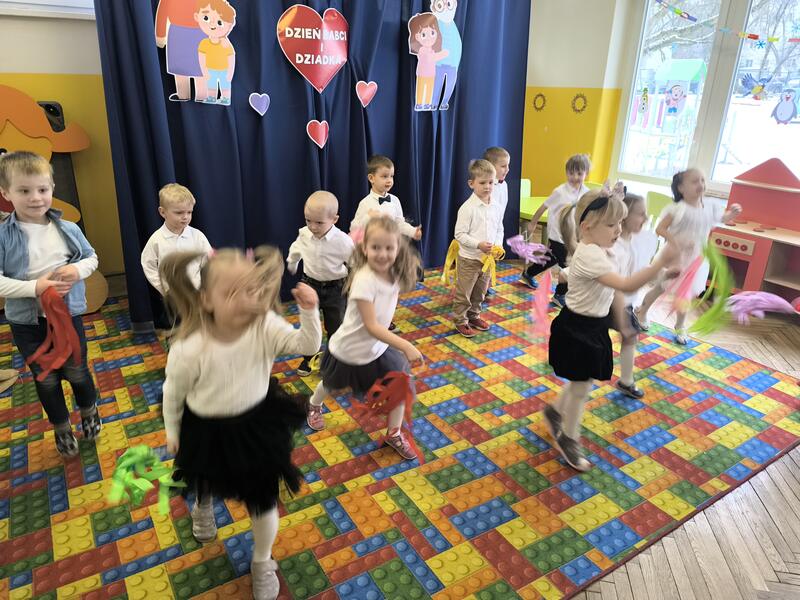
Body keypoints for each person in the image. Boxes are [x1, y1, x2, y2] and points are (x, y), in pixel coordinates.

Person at [161, 246, 321, 600]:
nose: (245, 300)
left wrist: (309, 311)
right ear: (206, 300)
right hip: (206, 428)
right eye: (231, 292)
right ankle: (203, 507)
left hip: (256, 426)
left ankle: (262, 560)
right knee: (203, 476)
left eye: (251, 290)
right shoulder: (190, 347)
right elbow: (172, 394)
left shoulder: (265, 326)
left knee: (264, 501)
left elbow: (306, 344)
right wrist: (173, 431)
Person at [545, 189, 677, 471]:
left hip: (593, 326)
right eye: (611, 224)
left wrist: (625, 321)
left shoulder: (603, 250)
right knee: (582, 387)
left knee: (582, 381)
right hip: (577, 328)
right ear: (586, 227)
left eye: (620, 223)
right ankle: (569, 437)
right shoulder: (591, 255)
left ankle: (554, 412)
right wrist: (661, 262)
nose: (618, 229)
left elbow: (618, 289)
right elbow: (626, 285)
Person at [0, 151, 101, 458]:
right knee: (46, 380)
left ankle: (89, 409)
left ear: (52, 188)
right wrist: (35, 287)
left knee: (78, 371)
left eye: (42, 189)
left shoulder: (68, 229)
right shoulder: (3, 236)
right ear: (6, 193)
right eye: (24, 190)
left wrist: (76, 270)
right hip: (28, 324)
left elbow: (91, 258)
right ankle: (61, 426)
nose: (35, 198)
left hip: (68, 317)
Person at [306, 215, 423, 460]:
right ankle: (314, 405)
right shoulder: (364, 280)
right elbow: (371, 326)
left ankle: (394, 433)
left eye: (389, 248)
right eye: (376, 247)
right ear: (365, 248)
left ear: (398, 248)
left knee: (400, 385)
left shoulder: (394, 272)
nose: (382, 254)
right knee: (330, 384)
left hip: (377, 349)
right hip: (349, 349)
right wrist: (405, 345)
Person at [635, 168, 741, 345]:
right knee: (660, 287)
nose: (700, 184)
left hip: (696, 260)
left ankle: (680, 325)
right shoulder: (677, 209)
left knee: (685, 293)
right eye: (694, 181)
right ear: (681, 188)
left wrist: (732, 213)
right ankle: (642, 312)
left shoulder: (710, 206)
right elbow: (660, 228)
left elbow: (722, 218)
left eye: (702, 180)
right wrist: (674, 242)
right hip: (675, 257)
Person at [286, 191, 354, 376]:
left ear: (334, 219)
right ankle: (309, 358)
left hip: (336, 288)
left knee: (336, 327)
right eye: (308, 220)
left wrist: (354, 284)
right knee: (309, 326)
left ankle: (333, 361)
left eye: (319, 222)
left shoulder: (343, 241)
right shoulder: (304, 234)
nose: (312, 227)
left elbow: (355, 262)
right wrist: (292, 262)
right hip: (309, 285)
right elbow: (296, 249)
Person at [520, 154, 591, 307]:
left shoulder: (586, 192)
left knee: (550, 258)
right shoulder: (560, 192)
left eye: (579, 173)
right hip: (558, 235)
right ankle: (560, 294)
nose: (575, 177)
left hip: (573, 236)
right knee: (569, 265)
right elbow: (544, 206)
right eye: (571, 173)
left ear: (586, 173)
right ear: (566, 173)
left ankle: (528, 273)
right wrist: (533, 222)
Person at [452, 159, 503, 337]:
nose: (487, 187)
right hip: (469, 259)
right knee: (464, 293)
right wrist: (478, 244)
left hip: (487, 260)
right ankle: (460, 320)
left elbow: (499, 228)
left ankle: (474, 315)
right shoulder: (468, 208)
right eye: (482, 183)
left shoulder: (496, 206)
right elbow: (459, 234)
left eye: (491, 182)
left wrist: (498, 244)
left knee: (480, 292)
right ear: (471, 183)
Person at [350, 155, 422, 241]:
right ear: (371, 178)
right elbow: (353, 228)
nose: (389, 180)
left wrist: (413, 232)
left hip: (391, 243)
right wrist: (368, 217)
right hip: (372, 244)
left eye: (391, 176)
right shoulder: (365, 203)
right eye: (384, 176)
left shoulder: (395, 200)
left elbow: (399, 224)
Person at [195, 0, 236, 105]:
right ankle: (212, 97)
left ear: (229, 25)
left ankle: (225, 98)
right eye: (206, 18)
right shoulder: (204, 43)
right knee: (211, 84)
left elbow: (231, 58)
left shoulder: (226, 45)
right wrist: (204, 71)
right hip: (210, 69)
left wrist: (230, 73)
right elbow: (201, 58)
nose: (212, 24)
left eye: (219, 22)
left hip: (224, 70)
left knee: (225, 85)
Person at [483, 146, 511, 297]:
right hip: (483, 230)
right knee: (480, 261)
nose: (507, 169)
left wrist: (499, 237)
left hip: (497, 227)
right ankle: (476, 287)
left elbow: (501, 211)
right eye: (503, 166)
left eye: (508, 165)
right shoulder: (486, 186)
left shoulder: (504, 185)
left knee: (492, 259)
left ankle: (485, 287)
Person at [408, 13, 449, 111]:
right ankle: (419, 103)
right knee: (421, 88)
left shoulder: (431, 49)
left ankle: (426, 103)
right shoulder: (422, 50)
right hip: (422, 74)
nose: (429, 38)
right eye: (423, 35)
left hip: (431, 74)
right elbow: (431, 58)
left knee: (429, 89)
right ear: (417, 37)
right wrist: (443, 54)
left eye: (432, 33)